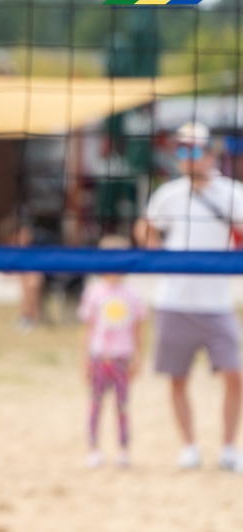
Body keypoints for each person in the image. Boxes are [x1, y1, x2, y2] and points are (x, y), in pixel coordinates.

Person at [134, 121, 243, 471]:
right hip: (174, 301)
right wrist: (159, 259)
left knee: (235, 375)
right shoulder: (169, 193)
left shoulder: (232, 193)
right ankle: (190, 447)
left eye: (193, 149)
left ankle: (228, 449)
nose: (186, 156)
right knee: (177, 377)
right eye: (181, 150)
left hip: (217, 302)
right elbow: (145, 227)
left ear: (211, 154)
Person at [77, 234, 146, 469]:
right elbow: (87, 329)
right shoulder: (93, 291)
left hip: (122, 359)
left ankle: (123, 450)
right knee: (95, 405)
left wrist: (138, 358)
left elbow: (138, 329)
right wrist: (84, 360)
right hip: (99, 357)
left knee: (122, 406)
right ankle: (93, 448)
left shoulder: (132, 294)